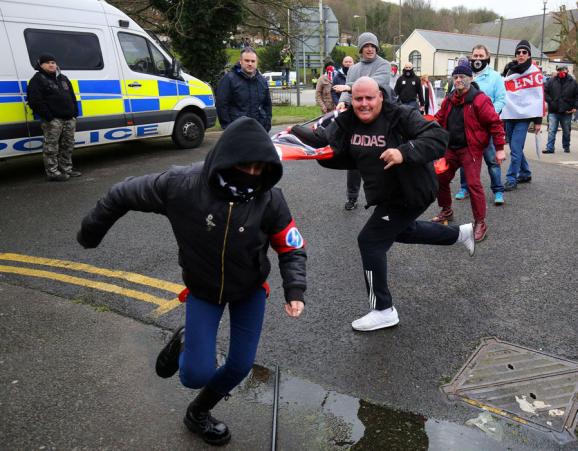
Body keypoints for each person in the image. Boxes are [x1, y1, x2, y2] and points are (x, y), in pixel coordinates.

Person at [76, 117, 307, 446]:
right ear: (226, 158)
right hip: (203, 289)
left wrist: (295, 288)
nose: (252, 177)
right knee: (194, 374)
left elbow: (291, 245)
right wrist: (91, 232)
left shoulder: (269, 198)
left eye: (260, 169)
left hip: (249, 290)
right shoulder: (181, 185)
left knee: (239, 366)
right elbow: (121, 192)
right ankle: (184, 340)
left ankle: (198, 413)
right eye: (245, 167)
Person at [291, 77, 475, 332]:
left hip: (413, 190)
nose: (364, 104)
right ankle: (460, 234)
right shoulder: (347, 122)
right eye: (358, 99)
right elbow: (343, 154)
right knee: (402, 230)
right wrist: (318, 153)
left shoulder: (399, 115)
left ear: (380, 97)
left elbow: (438, 137)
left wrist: (404, 151)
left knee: (370, 240)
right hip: (388, 194)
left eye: (369, 98)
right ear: (351, 99)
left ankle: (383, 310)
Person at [432, 62, 506, 242]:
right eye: (456, 77)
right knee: (440, 178)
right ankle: (446, 210)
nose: (458, 80)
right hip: (451, 148)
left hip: (470, 150)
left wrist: (500, 149)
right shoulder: (449, 99)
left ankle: (480, 222)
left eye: (462, 77)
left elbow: (495, 123)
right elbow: (439, 119)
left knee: (473, 185)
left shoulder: (480, 99)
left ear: (470, 78)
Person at [333, 32, 392, 211]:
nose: (369, 49)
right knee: (355, 158)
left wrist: (349, 88)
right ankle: (352, 197)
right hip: (358, 118)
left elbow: (374, 84)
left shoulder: (384, 65)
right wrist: (343, 100)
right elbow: (347, 89)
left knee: (382, 157)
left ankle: (385, 197)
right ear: (360, 48)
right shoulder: (354, 68)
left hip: (381, 119)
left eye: (373, 46)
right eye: (366, 46)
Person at [455, 44, 507, 205]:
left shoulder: (495, 77)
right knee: (465, 159)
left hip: (487, 127)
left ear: (487, 57)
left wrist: (490, 114)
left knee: (492, 160)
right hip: (467, 127)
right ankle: (464, 188)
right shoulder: (465, 75)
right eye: (475, 56)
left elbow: (501, 99)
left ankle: (498, 191)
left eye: (480, 56)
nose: (477, 59)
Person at [27, 53, 81, 181]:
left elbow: (72, 96)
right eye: (48, 63)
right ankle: (53, 172)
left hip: (69, 118)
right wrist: (49, 117)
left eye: (53, 62)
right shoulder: (37, 80)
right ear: (41, 65)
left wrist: (74, 112)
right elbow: (35, 101)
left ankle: (66, 169)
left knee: (68, 145)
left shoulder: (63, 78)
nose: (51, 65)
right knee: (51, 147)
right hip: (53, 120)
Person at [501, 40, 544, 190]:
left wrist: (538, 121)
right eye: (518, 52)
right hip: (509, 113)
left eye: (524, 52)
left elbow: (538, 97)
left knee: (516, 148)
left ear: (529, 55)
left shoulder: (534, 71)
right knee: (515, 147)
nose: (521, 55)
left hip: (524, 117)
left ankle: (511, 178)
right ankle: (525, 172)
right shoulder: (509, 70)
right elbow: (503, 90)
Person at [216, 47, 272, 132]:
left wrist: (267, 124)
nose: (250, 64)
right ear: (240, 61)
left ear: (256, 63)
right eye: (247, 60)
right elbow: (222, 104)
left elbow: (267, 105)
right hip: (237, 131)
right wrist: (228, 127)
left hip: (259, 130)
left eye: (253, 61)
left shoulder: (262, 81)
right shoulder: (229, 79)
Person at [543, 65, 578, 153]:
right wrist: (550, 101)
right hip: (554, 110)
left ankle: (566, 146)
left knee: (566, 131)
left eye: (563, 69)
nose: (561, 71)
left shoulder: (573, 82)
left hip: (567, 111)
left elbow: (577, 96)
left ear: (567, 70)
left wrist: (575, 107)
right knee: (551, 130)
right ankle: (550, 148)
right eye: (559, 70)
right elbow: (545, 92)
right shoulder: (551, 81)